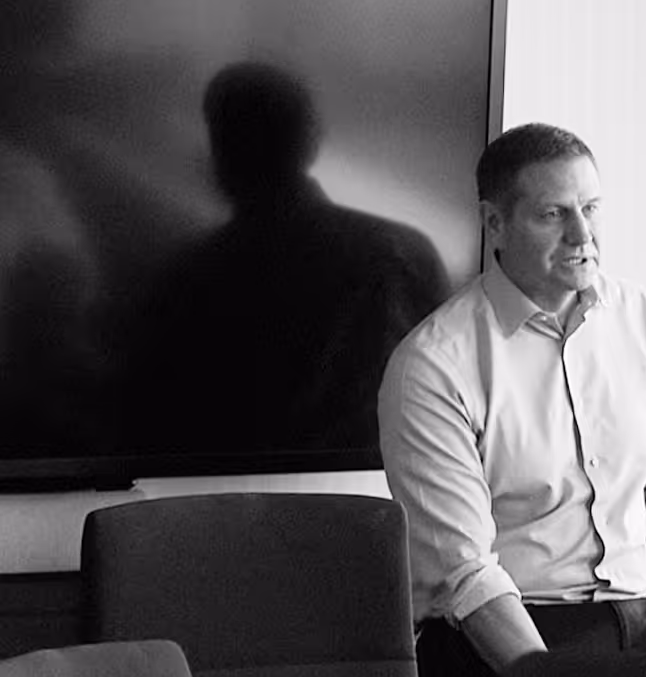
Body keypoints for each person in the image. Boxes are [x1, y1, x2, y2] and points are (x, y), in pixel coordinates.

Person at [378, 122, 646, 677]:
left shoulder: (641, 318)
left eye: (592, 208)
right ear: (495, 223)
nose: (584, 234)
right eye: (554, 214)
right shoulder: (433, 366)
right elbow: (466, 573)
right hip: (506, 639)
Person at [129, 61, 450, 456]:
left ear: (219, 152)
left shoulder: (186, 277)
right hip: (379, 504)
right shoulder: (404, 252)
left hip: (215, 508)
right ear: (311, 141)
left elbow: (150, 417)